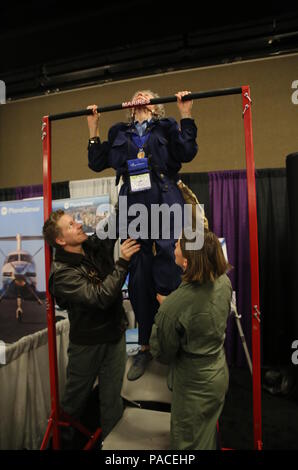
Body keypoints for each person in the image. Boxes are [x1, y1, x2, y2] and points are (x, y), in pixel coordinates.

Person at [87, 89, 199, 380]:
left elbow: (187, 152)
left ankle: (174, 347)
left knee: (168, 269)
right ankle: (146, 346)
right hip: (134, 205)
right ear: (130, 106)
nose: (140, 96)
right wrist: (93, 128)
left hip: (163, 199)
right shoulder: (118, 131)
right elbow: (97, 162)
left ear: (154, 106)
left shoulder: (166, 126)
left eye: (146, 95)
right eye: (136, 95)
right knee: (138, 275)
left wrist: (185, 113)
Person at [42, 209, 140, 446]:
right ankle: (63, 440)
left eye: (74, 221)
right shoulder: (62, 274)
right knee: (74, 400)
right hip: (87, 344)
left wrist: (131, 185)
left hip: (114, 335)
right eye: (70, 225)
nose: (78, 224)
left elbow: (115, 221)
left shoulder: (92, 245)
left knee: (111, 399)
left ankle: (111, 445)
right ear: (60, 240)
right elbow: (100, 297)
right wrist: (123, 262)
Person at [149, 230, 232, 450]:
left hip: (194, 387)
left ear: (185, 260)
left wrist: (168, 311)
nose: (173, 245)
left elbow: (163, 353)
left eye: (177, 244)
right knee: (205, 433)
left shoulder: (173, 307)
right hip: (218, 372)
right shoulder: (224, 281)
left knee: (188, 443)